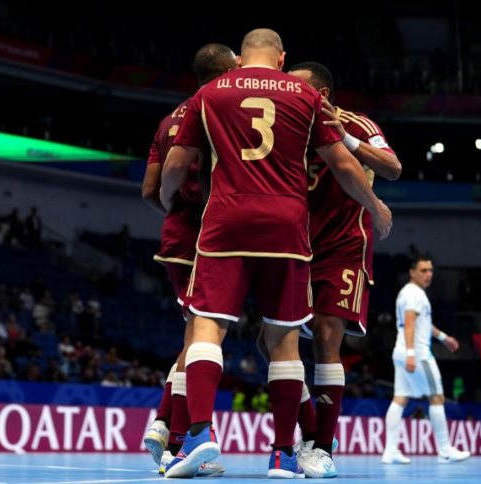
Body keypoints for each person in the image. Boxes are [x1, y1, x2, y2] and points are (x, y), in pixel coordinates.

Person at [160, 28, 391, 479]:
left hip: (226, 221)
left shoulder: (209, 93)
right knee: (284, 339)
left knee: (207, 327)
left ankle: (201, 433)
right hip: (287, 227)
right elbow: (344, 165)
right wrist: (374, 205)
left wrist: (169, 200)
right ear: (281, 58)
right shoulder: (304, 95)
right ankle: (283, 455)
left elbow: (175, 164)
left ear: (241, 59)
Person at [286, 62, 402, 477]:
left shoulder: (358, 123)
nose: (288, 92)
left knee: (325, 337)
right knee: (271, 343)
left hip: (343, 245)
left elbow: (392, 168)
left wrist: (346, 137)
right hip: (293, 244)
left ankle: (320, 447)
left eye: (298, 88)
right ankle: (311, 429)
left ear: (324, 95)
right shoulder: (284, 122)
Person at [141, 42, 237, 477]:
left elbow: (150, 190)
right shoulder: (219, 108)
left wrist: (173, 207)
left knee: (193, 337)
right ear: (229, 69)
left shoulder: (168, 119)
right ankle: (178, 435)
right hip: (211, 236)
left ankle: (166, 427)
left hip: (175, 236)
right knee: (203, 338)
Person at [382, 255, 470, 464]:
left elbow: (422, 323)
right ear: (412, 272)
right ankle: (445, 450)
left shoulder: (407, 293)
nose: (428, 274)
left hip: (400, 352)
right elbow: (410, 323)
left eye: (430, 270)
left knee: (400, 398)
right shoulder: (415, 294)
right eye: (423, 270)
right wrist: (412, 354)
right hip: (418, 354)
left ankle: (390, 451)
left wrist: (444, 337)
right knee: (437, 397)